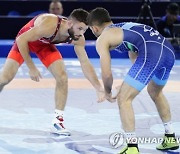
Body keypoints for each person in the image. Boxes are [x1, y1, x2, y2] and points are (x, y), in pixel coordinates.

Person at [88, 7, 179, 153]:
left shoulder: (103, 37)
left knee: (124, 99)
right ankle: (170, 138)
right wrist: (123, 86)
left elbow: (106, 73)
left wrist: (107, 91)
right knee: (155, 92)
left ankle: (131, 147)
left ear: (94, 28)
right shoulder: (126, 29)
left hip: (153, 52)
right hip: (168, 51)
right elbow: (137, 67)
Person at [0, 9, 105, 136]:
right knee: (4, 79)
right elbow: (21, 40)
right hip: (25, 42)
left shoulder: (78, 38)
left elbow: (85, 63)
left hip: (44, 46)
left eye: (84, 30)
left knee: (62, 77)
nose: (81, 33)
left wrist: (98, 87)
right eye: (80, 29)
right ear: (70, 23)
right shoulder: (49, 23)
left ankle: (58, 121)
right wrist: (31, 67)